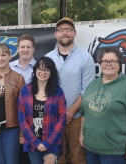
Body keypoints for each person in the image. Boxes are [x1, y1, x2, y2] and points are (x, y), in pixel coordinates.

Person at [79, 47, 126, 164]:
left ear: (119, 64)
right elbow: (84, 111)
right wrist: (82, 134)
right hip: (91, 146)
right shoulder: (93, 84)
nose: (108, 64)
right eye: (105, 61)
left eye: (113, 61)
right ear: (100, 64)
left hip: (114, 150)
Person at [45, 17, 95, 164]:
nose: (65, 33)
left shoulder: (85, 58)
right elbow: (44, 87)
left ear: (75, 33)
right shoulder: (48, 58)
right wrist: (59, 113)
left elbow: (87, 90)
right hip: (53, 116)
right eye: (61, 30)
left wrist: (70, 112)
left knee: (78, 157)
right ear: (55, 34)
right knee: (56, 157)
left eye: (68, 30)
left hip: (77, 116)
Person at [18, 57, 67, 164]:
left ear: (51, 72)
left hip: (52, 142)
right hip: (32, 142)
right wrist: (35, 142)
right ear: (35, 70)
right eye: (40, 69)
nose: (42, 72)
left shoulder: (58, 92)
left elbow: (62, 119)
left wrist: (48, 143)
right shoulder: (26, 90)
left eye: (46, 70)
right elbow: (22, 119)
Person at [10, 34, 36, 164]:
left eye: (28, 47)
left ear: (33, 49)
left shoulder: (40, 68)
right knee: (16, 153)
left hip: (33, 116)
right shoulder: (9, 67)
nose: (25, 49)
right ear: (18, 48)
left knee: (31, 153)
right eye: (22, 47)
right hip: (12, 115)